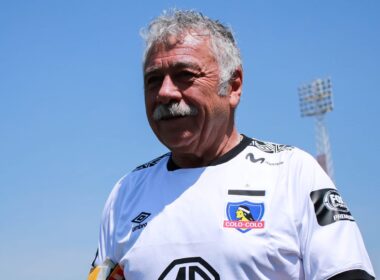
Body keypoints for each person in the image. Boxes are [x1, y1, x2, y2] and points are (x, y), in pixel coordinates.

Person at [88, 9, 375, 280]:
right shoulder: (126, 194)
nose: (164, 92)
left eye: (184, 75)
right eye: (153, 80)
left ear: (233, 85)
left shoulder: (293, 174)